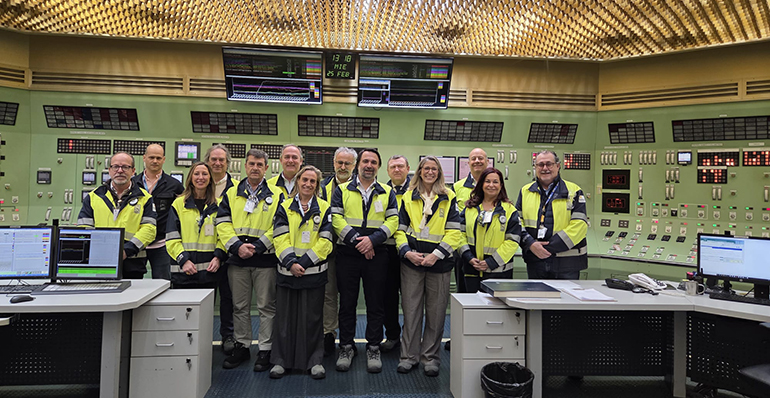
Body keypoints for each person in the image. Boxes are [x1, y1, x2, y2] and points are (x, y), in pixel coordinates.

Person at [330, 148, 398, 374]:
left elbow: (393, 221)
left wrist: (373, 241)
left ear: (378, 166)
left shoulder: (387, 192)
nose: (369, 165)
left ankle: (373, 347)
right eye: (365, 161)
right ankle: (346, 346)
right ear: (358, 164)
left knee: (375, 303)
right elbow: (336, 218)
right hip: (348, 255)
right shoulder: (341, 190)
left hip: (377, 255)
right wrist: (360, 242)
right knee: (347, 303)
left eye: (374, 162)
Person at [394, 156, 462, 377]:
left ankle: (430, 358)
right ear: (419, 171)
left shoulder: (449, 197)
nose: (430, 172)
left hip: (439, 264)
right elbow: (399, 230)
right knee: (411, 311)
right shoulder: (407, 197)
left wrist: (436, 255)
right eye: (426, 168)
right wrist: (406, 252)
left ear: (439, 172)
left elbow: (455, 233)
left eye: (434, 169)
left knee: (436, 312)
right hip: (412, 262)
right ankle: (408, 357)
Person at [216, 149, 282, 371]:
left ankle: (266, 349)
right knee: (240, 306)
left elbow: (280, 226)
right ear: (245, 166)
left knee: (266, 306)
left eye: (260, 164)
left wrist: (260, 246)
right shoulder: (231, 193)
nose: (255, 168)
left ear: (266, 168)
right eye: (252, 164)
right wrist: (236, 246)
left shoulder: (278, 194)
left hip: (265, 259)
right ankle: (242, 346)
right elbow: (222, 223)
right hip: (238, 259)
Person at [269, 166, 333, 380]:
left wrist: (304, 263)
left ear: (317, 185)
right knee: (284, 319)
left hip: (314, 273)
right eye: (304, 180)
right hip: (287, 273)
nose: (308, 184)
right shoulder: (284, 206)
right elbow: (279, 237)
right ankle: (280, 362)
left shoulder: (324, 208)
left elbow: (326, 240)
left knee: (312, 319)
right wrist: (291, 263)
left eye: (312, 181)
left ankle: (314, 361)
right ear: (297, 181)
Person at [77, 152, 157, 279]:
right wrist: (100, 250)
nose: (120, 171)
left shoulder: (145, 198)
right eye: (116, 167)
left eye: (125, 167)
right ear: (109, 170)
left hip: (132, 264)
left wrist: (126, 251)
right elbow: (84, 227)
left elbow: (149, 230)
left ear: (133, 171)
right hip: (98, 263)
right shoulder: (94, 197)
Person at [516, 150, 588, 280]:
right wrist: (531, 244)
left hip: (567, 263)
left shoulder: (574, 191)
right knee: (537, 299)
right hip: (536, 261)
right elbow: (517, 223)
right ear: (535, 167)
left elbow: (579, 226)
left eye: (549, 164)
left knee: (566, 299)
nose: (545, 168)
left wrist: (546, 248)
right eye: (540, 165)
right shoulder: (525, 191)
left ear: (558, 166)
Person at [447, 147, 488, 351]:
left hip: (490, 253)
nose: (477, 161)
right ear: (468, 163)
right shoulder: (458, 187)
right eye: (474, 158)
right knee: (464, 296)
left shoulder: (493, 182)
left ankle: (486, 338)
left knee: (489, 298)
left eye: (481, 158)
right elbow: (455, 219)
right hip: (464, 250)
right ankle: (459, 338)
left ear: (487, 162)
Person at [458, 168, 522, 293]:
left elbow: (512, 241)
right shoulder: (469, 209)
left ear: (501, 185)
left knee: (497, 311)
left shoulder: (509, 210)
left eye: (495, 182)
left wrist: (491, 262)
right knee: (472, 308)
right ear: (481, 184)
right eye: (487, 181)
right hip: (472, 270)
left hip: (499, 272)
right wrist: (469, 257)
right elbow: (460, 234)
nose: (491, 185)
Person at [318, 147, 357, 356]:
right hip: (329, 251)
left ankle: (348, 340)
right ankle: (329, 334)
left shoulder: (362, 188)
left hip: (352, 252)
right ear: (333, 163)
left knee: (350, 297)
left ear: (354, 166)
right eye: (339, 163)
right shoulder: (322, 187)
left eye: (347, 163)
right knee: (329, 295)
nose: (343, 167)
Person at [166, 162, 226, 289]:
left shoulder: (219, 206)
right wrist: (184, 260)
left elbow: (224, 236)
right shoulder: (178, 204)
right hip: (183, 271)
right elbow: (172, 238)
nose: (200, 177)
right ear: (190, 178)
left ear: (210, 179)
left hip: (209, 273)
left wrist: (218, 257)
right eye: (196, 174)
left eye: (205, 174)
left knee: (206, 309)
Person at [132, 144, 184, 280]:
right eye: (151, 157)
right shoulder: (132, 184)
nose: (155, 161)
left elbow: (181, 213)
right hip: (136, 244)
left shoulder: (175, 185)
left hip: (161, 245)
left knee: (163, 284)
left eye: (158, 158)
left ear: (164, 159)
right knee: (133, 283)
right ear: (144, 158)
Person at [204, 144, 238, 354]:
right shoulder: (197, 187)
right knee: (205, 299)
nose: (217, 163)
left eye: (221, 160)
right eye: (213, 159)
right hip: (201, 254)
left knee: (228, 298)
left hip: (227, 253)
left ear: (228, 163)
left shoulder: (236, 190)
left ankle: (228, 335)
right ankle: (201, 336)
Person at [382, 154, 411, 353]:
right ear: (388, 170)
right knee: (388, 297)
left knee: (411, 298)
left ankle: (410, 338)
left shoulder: (417, 191)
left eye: (401, 166)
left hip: (411, 252)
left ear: (408, 169)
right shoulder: (381, 191)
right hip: (388, 250)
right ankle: (392, 336)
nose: (397, 170)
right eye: (393, 167)